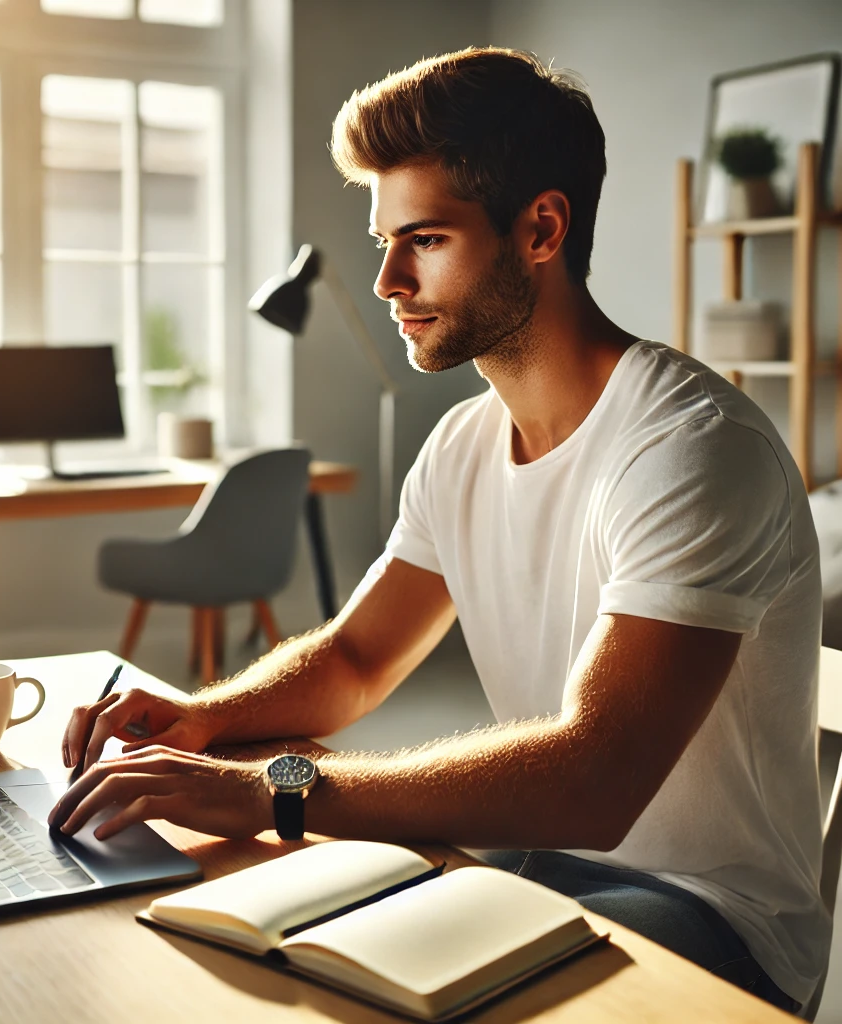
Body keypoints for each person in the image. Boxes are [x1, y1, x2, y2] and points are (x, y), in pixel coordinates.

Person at [48, 47, 827, 1013]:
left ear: (540, 229)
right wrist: (207, 720)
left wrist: (275, 789)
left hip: (711, 919)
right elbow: (357, 657)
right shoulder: (463, 442)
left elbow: (595, 779)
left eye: (423, 239)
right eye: (385, 240)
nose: (384, 279)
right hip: (543, 860)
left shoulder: (693, 447)